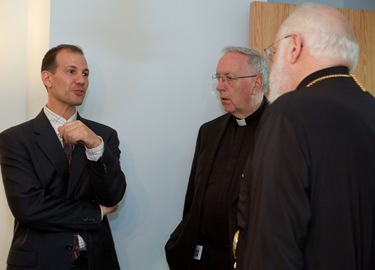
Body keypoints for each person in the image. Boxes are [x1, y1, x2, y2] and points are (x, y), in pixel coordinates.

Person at [236, 3, 375, 270]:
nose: (273, 62)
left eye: (273, 52)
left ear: (294, 47)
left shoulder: (289, 114)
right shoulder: (370, 108)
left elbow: (271, 245)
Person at [0, 44, 126, 270]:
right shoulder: (15, 139)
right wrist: (94, 212)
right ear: (47, 78)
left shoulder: (104, 136)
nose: (81, 80)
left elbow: (113, 196)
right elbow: (29, 207)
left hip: (97, 262)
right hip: (39, 263)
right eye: (71, 71)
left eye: (85, 74)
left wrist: (95, 146)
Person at [165, 46, 269, 270]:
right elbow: (193, 198)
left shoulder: (280, 133)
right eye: (219, 78)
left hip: (250, 259)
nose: (220, 86)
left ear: (257, 83)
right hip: (202, 257)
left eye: (229, 78)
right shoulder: (209, 132)